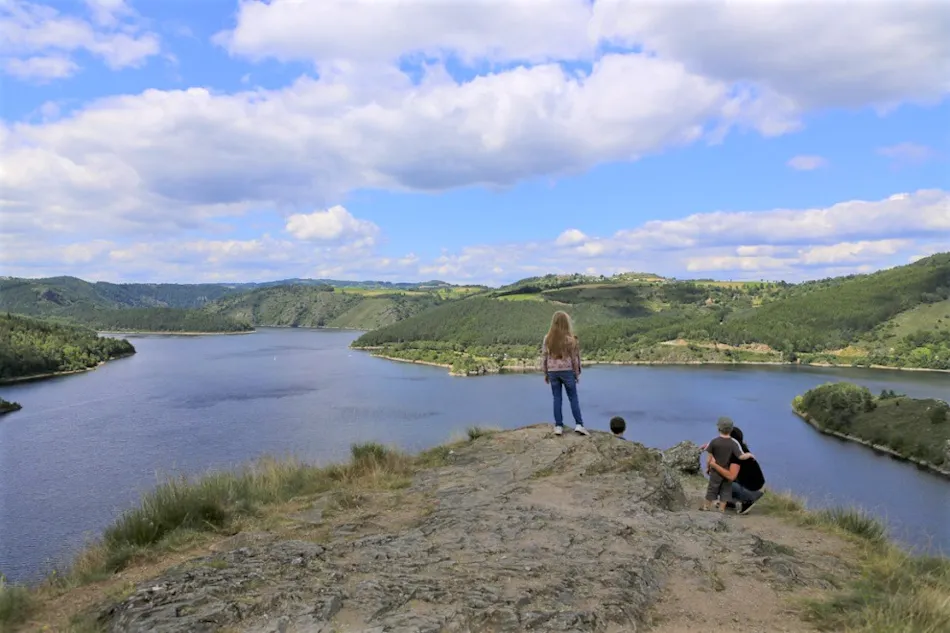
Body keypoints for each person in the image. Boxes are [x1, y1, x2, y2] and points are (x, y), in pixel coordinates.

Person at [542, 311, 589, 437]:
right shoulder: (571, 340)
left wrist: (546, 373)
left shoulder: (547, 339)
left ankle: (558, 426)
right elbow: (575, 358)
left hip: (552, 372)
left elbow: (544, 357)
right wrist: (577, 373)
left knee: (557, 398)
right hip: (567, 371)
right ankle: (579, 425)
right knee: (573, 397)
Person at [706, 425, 766, 514]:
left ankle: (748, 500)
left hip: (754, 488)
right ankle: (731, 501)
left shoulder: (735, 456)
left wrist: (714, 465)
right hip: (755, 484)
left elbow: (731, 476)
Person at [702, 416, 754, 512]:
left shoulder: (714, 441)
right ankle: (722, 509)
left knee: (712, 489)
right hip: (727, 472)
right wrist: (749, 455)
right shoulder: (734, 443)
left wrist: (708, 467)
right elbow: (740, 456)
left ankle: (706, 507)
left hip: (716, 473)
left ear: (718, 428)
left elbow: (709, 458)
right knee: (725, 491)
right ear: (731, 429)